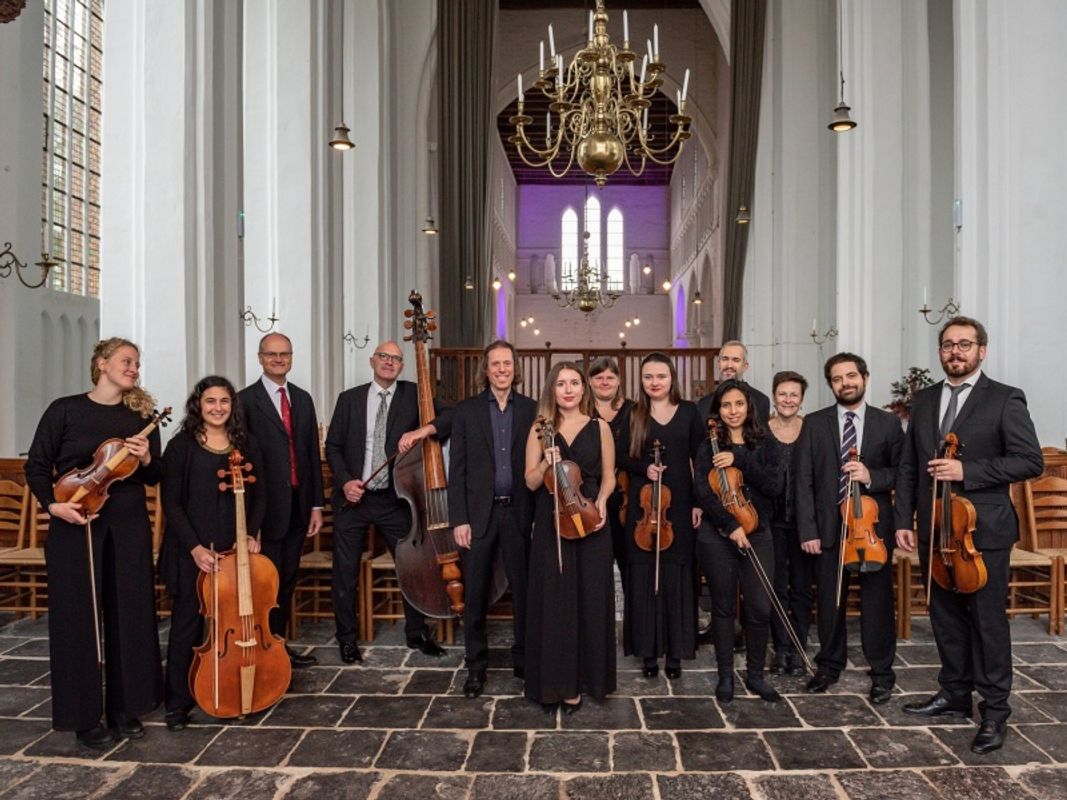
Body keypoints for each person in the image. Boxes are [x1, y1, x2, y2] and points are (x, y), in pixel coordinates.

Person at [895, 316, 1042, 754]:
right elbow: (908, 466)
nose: (955, 352)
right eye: (947, 345)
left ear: (982, 351)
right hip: (935, 527)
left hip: (982, 532)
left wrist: (967, 470)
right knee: (944, 615)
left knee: (987, 621)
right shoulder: (924, 399)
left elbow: (1029, 461)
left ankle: (994, 711)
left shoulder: (1004, 398)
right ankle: (955, 693)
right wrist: (904, 519)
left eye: (964, 344)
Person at [25, 337, 164, 749]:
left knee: (131, 614)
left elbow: (156, 476)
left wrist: (146, 458)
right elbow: (36, 466)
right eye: (126, 361)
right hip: (75, 522)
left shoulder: (142, 416)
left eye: (137, 363)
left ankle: (126, 707)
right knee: (77, 620)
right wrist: (53, 506)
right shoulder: (64, 410)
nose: (134, 368)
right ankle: (83, 717)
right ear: (102, 363)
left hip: (128, 525)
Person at [325, 341, 452, 663]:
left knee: (411, 567)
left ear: (402, 366)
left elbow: (452, 417)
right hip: (354, 498)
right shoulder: (349, 399)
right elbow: (333, 447)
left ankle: (416, 633)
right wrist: (346, 481)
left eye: (396, 359)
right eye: (384, 356)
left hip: (395, 499)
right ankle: (346, 639)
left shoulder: (414, 395)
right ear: (372, 360)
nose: (389, 362)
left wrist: (423, 431)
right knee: (345, 572)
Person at [158, 376, 266, 731]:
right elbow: (172, 503)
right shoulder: (181, 447)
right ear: (198, 405)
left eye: (224, 401)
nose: (218, 408)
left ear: (233, 405)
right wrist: (194, 548)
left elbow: (261, 496)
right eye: (210, 401)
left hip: (235, 550)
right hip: (193, 549)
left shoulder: (246, 444)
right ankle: (177, 703)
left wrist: (250, 533)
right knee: (187, 625)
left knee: (237, 623)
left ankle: (233, 690)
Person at [795, 354, 902, 704]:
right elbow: (804, 480)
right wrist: (808, 530)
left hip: (872, 529)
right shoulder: (814, 423)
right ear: (831, 384)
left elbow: (902, 472)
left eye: (851, 376)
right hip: (829, 528)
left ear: (865, 377)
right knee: (830, 601)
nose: (846, 383)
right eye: (838, 378)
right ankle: (829, 664)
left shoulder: (888, 423)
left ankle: (882, 672)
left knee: (877, 602)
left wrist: (871, 476)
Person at [524, 361, 616, 712]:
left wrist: (602, 502)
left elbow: (609, 475)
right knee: (555, 601)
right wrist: (546, 463)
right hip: (553, 522)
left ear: (583, 388)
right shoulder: (540, 428)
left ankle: (587, 680)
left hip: (590, 516)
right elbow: (530, 481)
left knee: (591, 598)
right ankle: (556, 684)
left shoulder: (599, 426)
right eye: (561, 383)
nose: (568, 389)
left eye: (574, 383)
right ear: (552, 389)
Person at [448, 340, 537, 698]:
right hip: (478, 517)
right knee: (475, 594)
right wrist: (459, 519)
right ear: (485, 370)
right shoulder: (466, 411)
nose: (502, 370)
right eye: (495, 364)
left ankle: (525, 663)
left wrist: (538, 517)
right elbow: (457, 471)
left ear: (515, 369)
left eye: (507, 364)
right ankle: (475, 667)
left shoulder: (532, 410)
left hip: (520, 513)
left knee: (525, 593)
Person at [238, 333, 325, 669]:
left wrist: (316, 504)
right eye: (272, 354)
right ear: (260, 357)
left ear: (291, 357)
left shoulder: (302, 398)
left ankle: (277, 646)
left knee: (287, 580)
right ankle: (257, 648)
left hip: (298, 507)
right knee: (264, 584)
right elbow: (241, 461)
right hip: (265, 511)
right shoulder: (245, 401)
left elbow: (310, 454)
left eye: (284, 354)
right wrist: (250, 522)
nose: (278, 359)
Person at [694, 379, 784, 703]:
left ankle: (756, 675)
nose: (733, 411)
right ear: (717, 410)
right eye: (726, 405)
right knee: (723, 608)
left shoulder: (766, 443)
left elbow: (774, 486)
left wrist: (739, 460)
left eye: (739, 404)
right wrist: (730, 524)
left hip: (759, 534)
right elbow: (703, 493)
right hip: (718, 535)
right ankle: (725, 676)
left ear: (749, 407)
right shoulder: (708, 446)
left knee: (759, 607)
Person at [617, 353, 704, 680]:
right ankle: (648, 652)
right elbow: (620, 457)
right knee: (643, 580)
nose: (655, 382)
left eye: (661, 376)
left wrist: (699, 503)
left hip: (678, 507)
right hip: (644, 508)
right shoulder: (633, 413)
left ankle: (676, 652)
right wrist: (645, 468)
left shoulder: (689, 412)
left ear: (672, 379)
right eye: (649, 377)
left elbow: (701, 460)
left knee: (677, 577)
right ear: (641, 381)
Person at [766, 370, 815, 676]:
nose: (787, 399)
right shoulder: (762, 430)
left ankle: (798, 647)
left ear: (801, 399)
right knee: (776, 587)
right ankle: (781, 647)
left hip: (803, 522)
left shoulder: (812, 429)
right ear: (774, 396)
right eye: (782, 394)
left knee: (801, 587)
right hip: (770, 523)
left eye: (793, 395)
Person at [588, 356, 633, 577]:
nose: (604, 382)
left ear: (618, 380)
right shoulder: (582, 411)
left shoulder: (634, 410)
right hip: (591, 493)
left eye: (610, 377)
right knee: (596, 560)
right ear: (589, 381)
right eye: (599, 378)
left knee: (627, 558)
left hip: (627, 493)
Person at [697, 340, 771, 425]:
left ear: (745, 366)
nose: (729, 365)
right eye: (725, 359)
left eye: (736, 360)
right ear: (719, 364)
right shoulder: (704, 403)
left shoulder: (760, 400)